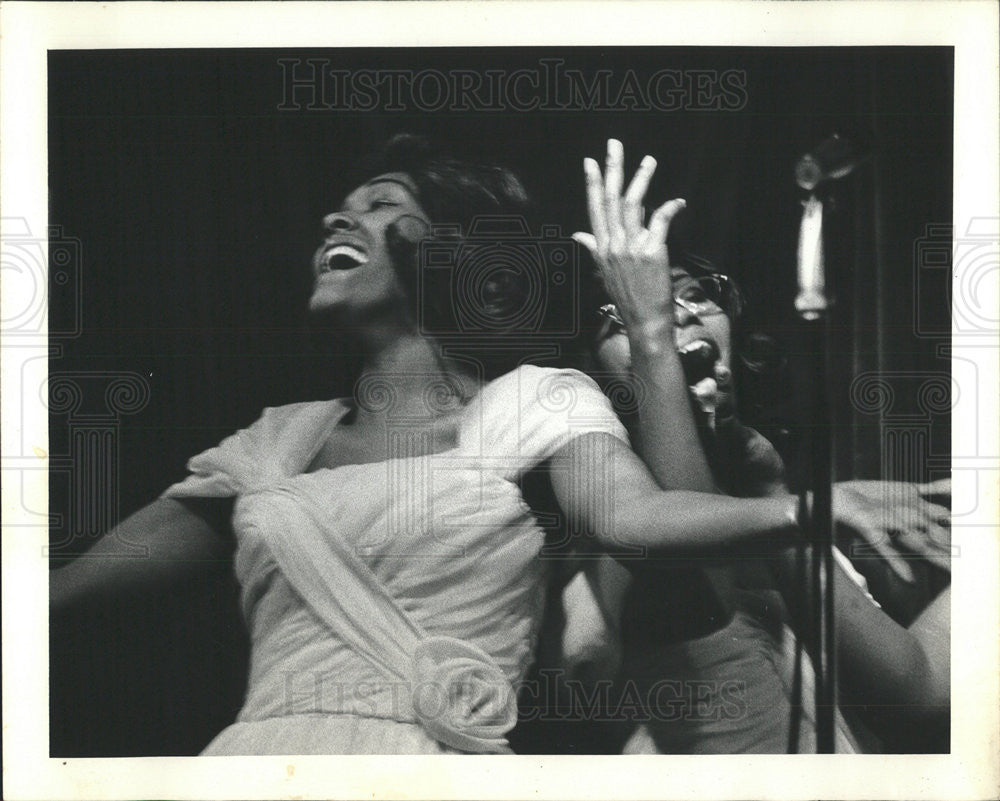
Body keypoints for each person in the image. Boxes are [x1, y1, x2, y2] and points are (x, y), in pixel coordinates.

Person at [50, 134, 913, 756]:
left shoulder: (536, 403)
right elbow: (59, 594)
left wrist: (808, 507)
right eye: (341, 206)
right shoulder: (272, 442)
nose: (334, 216)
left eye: (381, 202)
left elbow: (643, 526)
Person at [559, 139, 951, 753]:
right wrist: (649, 330)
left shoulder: (772, 492)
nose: (680, 313)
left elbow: (915, 693)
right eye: (622, 317)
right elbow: (700, 571)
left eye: (695, 294)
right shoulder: (613, 527)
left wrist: (771, 484)